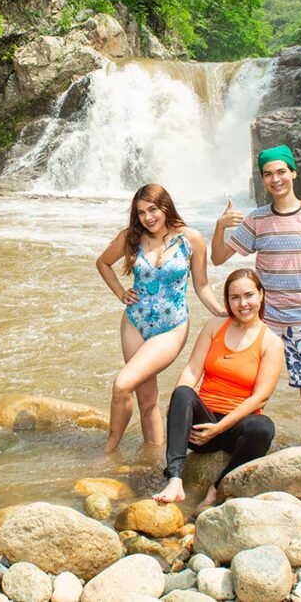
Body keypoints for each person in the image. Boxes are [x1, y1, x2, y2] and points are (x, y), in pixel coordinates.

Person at [211, 144, 301, 443]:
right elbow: (218, 258)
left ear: (293, 172)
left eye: (281, 172)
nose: (275, 179)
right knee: (247, 389)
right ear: (262, 180)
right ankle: (236, 443)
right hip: (264, 322)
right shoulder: (257, 219)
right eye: (268, 174)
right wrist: (219, 227)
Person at [96, 184, 225, 454]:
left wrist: (220, 311)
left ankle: (109, 451)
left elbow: (201, 285)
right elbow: (102, 263)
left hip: (171, 326)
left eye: (152, 209)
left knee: (122, 385)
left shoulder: (192, 239)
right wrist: (121, 293)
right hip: (134, 321)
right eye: (141, 212)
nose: (147, 217)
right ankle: (152, 457)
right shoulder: (131, 237)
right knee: (147, 399)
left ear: (166, 206)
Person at [153, 269, 283, 508]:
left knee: (264, 427)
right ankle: (175, 480)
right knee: (182, 392)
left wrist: (219, 428)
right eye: (235, 297)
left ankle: (216, 488)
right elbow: (192, 370)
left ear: (261, 295)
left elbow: (260, 397)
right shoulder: (214, 327)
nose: (243, 303)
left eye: (249, 295)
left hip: (237, 427)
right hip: (202, 426)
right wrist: (178, 409)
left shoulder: (271, 343)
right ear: (227, 300)